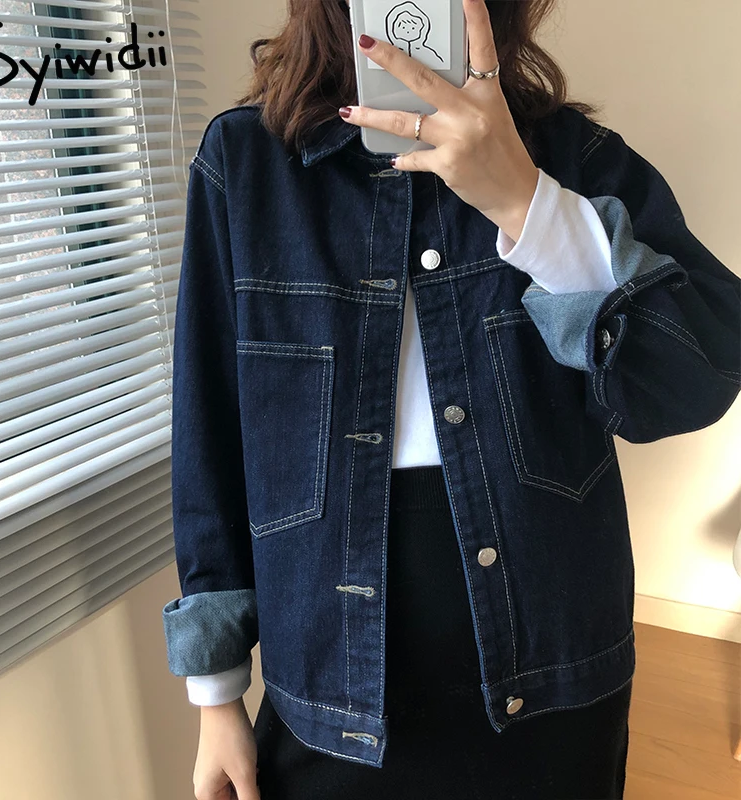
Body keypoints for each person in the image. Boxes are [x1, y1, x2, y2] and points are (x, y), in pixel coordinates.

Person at [161, 1, 741, 798]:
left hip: (555, 666)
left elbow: (694, 382)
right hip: (327, 674)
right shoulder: (246, 165)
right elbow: (210, 431)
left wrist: (528, 205)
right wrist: (216, 695)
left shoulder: (572, 158)